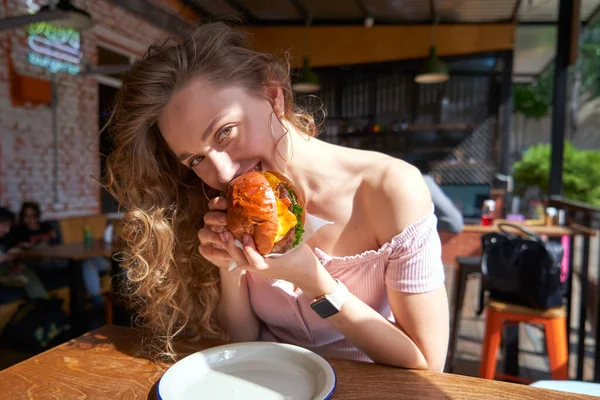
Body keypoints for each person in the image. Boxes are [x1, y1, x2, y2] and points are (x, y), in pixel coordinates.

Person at [103, 22, 449, 370]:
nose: (221, 174)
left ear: (273, 95)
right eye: (196, 159)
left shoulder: (391, 189)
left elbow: (427, 365)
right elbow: (243, 342)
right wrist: (231, 268)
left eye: (225, 133)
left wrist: (317, 284)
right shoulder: (233, 210)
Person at [13, 202, 110, 306]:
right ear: (22, 217)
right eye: (26, 216)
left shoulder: (46, 226)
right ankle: (107, 270)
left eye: (33, 215)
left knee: (87, 260)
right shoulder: (20, 231)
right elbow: (19, 252)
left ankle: (97, 298)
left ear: (37, 216)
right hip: (42, 262)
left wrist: (53, 238)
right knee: (85, 260)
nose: (30, 219)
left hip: (58, 258)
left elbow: (58, 245)